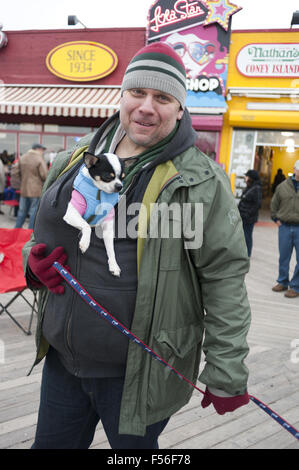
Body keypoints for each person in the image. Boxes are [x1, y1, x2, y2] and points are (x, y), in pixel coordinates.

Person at [22, 43, 251, 450]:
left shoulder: (199, 181)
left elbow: (224, 278)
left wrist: (226, 370)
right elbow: (43, 239)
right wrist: (33, 264)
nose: (146, 107)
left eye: (162, 98)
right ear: (122, 96)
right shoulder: (75, 159)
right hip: (63, 361)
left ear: (180, 108)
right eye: (138, 93)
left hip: (140, 373)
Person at [271, 160, 299, 298]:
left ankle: (295, 286)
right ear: (294, 169)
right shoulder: (282, 187)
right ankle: (282, 281)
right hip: (285, 227)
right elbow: (274, 204)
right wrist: (276, 219)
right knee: (284, 257)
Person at [15, 143, 48, 229]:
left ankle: (16, 230)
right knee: (33, 212)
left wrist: (21, 182)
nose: (42, 151)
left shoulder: (22, 157)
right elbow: (45, 175)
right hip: (36, 190)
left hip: (24, 189)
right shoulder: (39, 159)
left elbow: (15, 173)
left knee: (22, 211)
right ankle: (30, 232)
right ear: (37, 149)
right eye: (42, 149)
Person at [238, 169, 262, 257]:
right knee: (243, 235)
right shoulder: (250, 186)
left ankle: (247, 254)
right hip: (244, 216)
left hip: (249, 218)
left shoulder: (256, 188)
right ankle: (243, 252)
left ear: (251, 178)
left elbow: (258, 204)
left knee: (247, 235)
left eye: (247, 176)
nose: (245, 177)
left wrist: (248, 213)